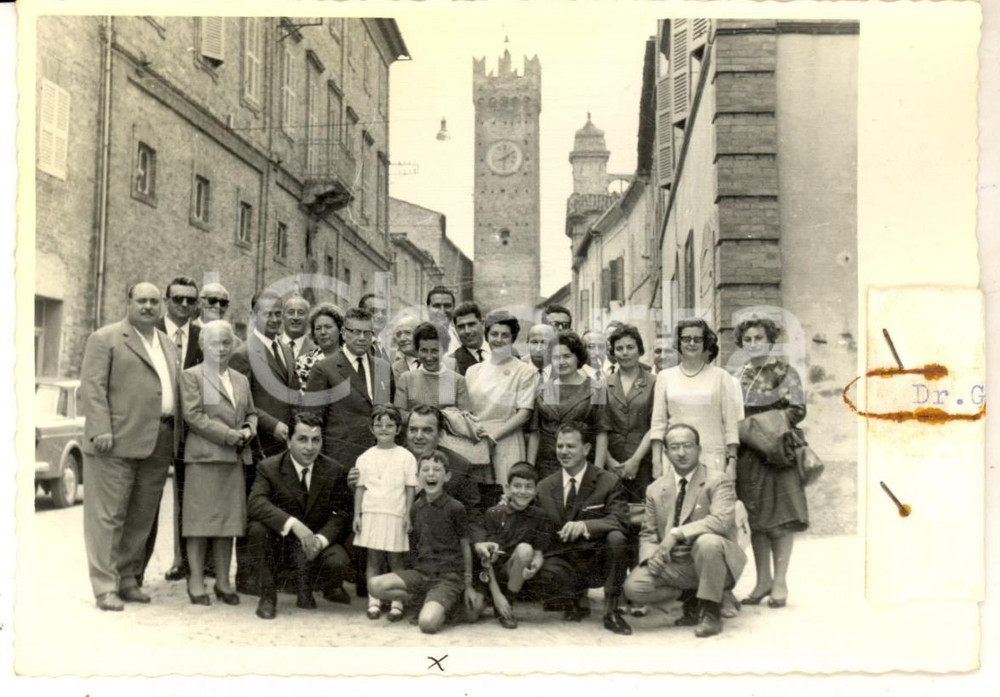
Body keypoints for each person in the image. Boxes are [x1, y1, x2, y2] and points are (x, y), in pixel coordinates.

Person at [79, 282, 179, 611]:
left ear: (161, 305)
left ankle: (128, 579)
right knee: (108, 517)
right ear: (129, 302)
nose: (148, 306)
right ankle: (104, 586)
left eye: (154, 301)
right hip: (114, 441)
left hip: (158, 440)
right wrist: (100, 429)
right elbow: (92, 388)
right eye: (142, 300)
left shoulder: (166, 343)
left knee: (141, 517)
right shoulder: (106, 338)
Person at [623, 424, 747, 638]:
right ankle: (692, 597)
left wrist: (677, 533)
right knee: (634, 587)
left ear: (699, 449)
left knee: (708, 542)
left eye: (688, 446)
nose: (681, 453)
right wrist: (651, 558)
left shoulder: (718, 480)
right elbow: (648, 533)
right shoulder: (655, 488)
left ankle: (711, 611)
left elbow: (721, 521)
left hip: (713, 559)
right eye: (675, 447)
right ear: (666, 452)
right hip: (677, 564)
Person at [246, 412, 354, 620]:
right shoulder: (269, 467)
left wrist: (320, 540)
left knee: (338, 561)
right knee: (257, 530)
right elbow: (256, 503)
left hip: (315, 544)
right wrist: (293, 524)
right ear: (288, 441)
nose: (310, 447)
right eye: (302, 439)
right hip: (282, 543)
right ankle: (268, 595)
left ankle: (318, 586)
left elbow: (341, 513)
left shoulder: (334, 469)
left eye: (316, 440)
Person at [178, 320, 257, 606]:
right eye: (214, 343)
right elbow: (194, 416)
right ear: (203, 346)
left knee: (228, 524)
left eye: (226, 342)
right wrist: (229, 435)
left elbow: (251, 412)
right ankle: (196, 581)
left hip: (234, 460)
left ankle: (224, 582)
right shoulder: (193, 376)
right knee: (199, 523)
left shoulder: (240, 379)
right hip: (205, 459)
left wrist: (249, 429)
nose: (221, 349)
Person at [731, 317, 809, 609]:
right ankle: (762, 580)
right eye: (748, 339)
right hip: (749, 455)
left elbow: (797, 410)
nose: (753, 344)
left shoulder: (786, 372)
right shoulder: (736, 376)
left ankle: (780, 582)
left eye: (759, 338)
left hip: (778, 452)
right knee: (757, 519)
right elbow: (732, 412)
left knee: (781, 518)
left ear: (770, 340)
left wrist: (762, 427)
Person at [228, 291, 300, 593]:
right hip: (258, 445)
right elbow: (241, 403)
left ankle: (277, 574)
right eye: (267, 313)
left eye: (278, 313)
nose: (274, 319)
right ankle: (247, 576)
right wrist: (272, 425)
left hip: (284, 446)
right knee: (255, 508)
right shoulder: (243, 354)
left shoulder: (284, 350)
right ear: (253, 316)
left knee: (281, 507)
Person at [532, 422, 632, 635]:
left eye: (570, 446)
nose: (563, 452)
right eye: (560, 446)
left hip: (596, 559)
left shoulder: (608, 481)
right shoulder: (544, 486)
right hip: (563, 559)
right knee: (543, 570)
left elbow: (620, 519)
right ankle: (572, 598)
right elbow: (535, 526)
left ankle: (611, 610)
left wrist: (585, 525)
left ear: (586, 449)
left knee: (617, 538)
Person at [368, 450, 480, 634]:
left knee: (427, 623)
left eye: (437, 469)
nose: (431, 474)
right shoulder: (416, 507)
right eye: (425, 469)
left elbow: (465, 547)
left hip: (447, 578)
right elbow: (415, 547)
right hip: (422, 574)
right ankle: (421, 599)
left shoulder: (455, 507)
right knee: (374, 586)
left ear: (447, 476)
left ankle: (448, 606)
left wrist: (468, 585)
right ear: (417, 477)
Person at [152, 276, 203, 584]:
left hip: (191, 430)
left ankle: (182, 560)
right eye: (178, 299)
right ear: (166, 301)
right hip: (157, 427)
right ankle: (135, 569)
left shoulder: (202, 336)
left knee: (187, 496)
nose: (184, 304)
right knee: (147, 497)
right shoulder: (150, 331)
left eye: (190, 300)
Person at [304, 307, 395, 471]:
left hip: (381, 460)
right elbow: (312, 421)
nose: (362, 338)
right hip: (340, 461)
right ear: (344, 333)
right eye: (356, 332)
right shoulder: (324, 369)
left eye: (367, 333)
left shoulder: (383, 367)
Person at [650, 319, 744, 476]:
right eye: (686, 339)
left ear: (705, 342)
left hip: (711, 457)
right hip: (675, 458)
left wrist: (732, 464)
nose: (692, 343)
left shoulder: (721, 377)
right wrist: (656, 462)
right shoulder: (665, 377)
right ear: (679, 342)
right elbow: (658, 425)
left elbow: (730, 425)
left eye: (697, 339)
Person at [352, 405, 418, 621]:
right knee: (373, 559)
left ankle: (397, 603)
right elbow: (360, 489)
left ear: (398, 429)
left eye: (389, 425)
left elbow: (410, 489)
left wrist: (407, 514)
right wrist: (357, 515)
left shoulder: (406, 457)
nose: (384, 429)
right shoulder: (364, 457)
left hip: (395, 514)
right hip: (372, 513)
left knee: (396, 560)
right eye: (379, 425)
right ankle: (374, 602)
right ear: (372, 429)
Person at [473, 462, 552, 629]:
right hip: (490, 575)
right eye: (517, 486)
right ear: (507, 488)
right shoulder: (494, 513)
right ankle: (496, 599)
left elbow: (538, 553)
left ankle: (508, 603)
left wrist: (535, 566)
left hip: (515, 575)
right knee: (472, 613)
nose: (523, 491)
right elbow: (486, 561)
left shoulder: (539, 516)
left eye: (528, 487)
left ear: (535, 490)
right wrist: (496, 595)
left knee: (525, 549)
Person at [466, 310, 538, 486]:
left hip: (508, 440)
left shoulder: (525, 371)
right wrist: (479, 436)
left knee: (506, 491)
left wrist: (493, 437)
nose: (498, 339)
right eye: (494, 334)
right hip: (478, 440)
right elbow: (466, 410)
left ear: (513, 338)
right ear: (487, 336)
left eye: (505, 335)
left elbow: (524, 413)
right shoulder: (473, 371)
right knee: (478, 493)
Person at [527, 331, 609, 481]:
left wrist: (597, 472)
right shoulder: (544, 389)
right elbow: (535, 433)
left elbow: (601, 433)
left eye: (567, 356)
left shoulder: (595, 389)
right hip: (546, 467)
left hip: (583, 466)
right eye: (556, 357)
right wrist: (529, 471)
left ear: (578, 357)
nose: (561, 362)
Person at [604, 324, 656, 503]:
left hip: (643, 462)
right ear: (613, 353)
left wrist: (635, 461)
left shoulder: (654, 382)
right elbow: (597, 426)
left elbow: (656, 425)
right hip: (612, 462)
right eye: (619, 348)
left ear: (639, 350)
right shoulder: (602, 384)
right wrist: (609, 461)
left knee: (642, 511)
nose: (624, 353)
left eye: (630, 347)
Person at [394, 322, 470, 421]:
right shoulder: (406, 379)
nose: (429, 357)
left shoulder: (457, 381)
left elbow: (465, 418)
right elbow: (399, 415)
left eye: (434, 351)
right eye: (424, 350)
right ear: (417, 350)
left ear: (444, 350)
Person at [294, 302, 344, 387]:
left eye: (328, 327)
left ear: (340, 329)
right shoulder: (303, 363)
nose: (323, 332)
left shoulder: (351, 358)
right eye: (318, 328)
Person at [449, 301, 490, 376]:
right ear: (456, 329)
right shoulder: (451, 362)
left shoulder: (502, 351)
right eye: (461, 327)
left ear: (482, 323)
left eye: (471, 324)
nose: (467, 331)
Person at [426, 285, 461, 352]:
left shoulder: (459, 337)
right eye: (437, 306)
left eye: (447, 306)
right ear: (428, 308)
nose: (442, 310)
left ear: (454, 308)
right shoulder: (417, 335)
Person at [359, 293, 391, 364]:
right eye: (373, 311)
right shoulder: (357, 345)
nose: (380, 316)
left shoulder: (380, 347)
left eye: (384, 312)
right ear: (361, 314)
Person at [280, 294, 314, 362]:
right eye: (291, 312)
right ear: (283, 317)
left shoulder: (317, 351)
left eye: (301, 313)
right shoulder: (270, 346)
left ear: (308, 318)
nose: (295, 317)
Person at [390, 315, 421, 379]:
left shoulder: (438, 363)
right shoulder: (392, 371)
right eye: (398, 334)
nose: (402, 339)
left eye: (408, 333)